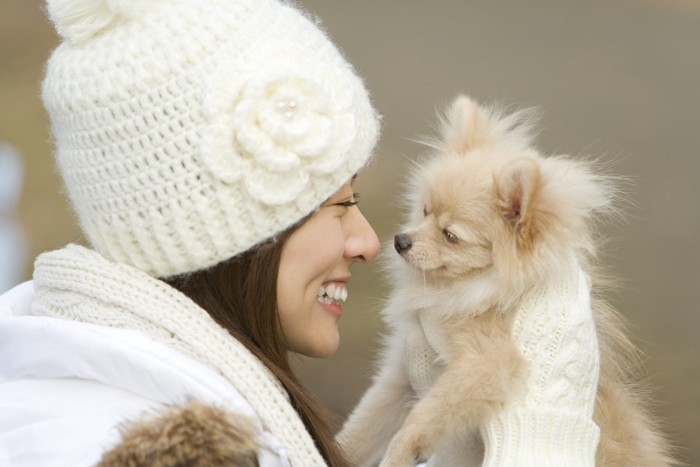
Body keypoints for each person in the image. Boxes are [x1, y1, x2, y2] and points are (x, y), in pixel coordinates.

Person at [0, 0, 600, 466]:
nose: (370, 241)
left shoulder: (85, 394)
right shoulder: (174, 450)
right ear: (234, 237)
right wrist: (545, 433)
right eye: (337, 206)